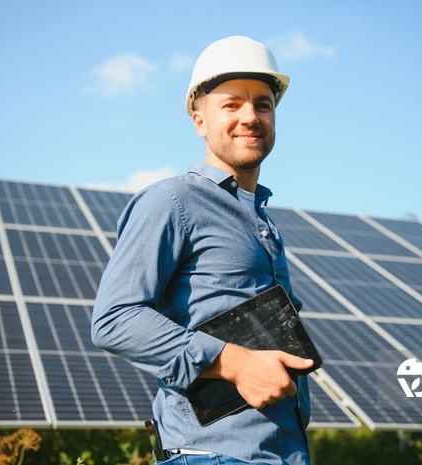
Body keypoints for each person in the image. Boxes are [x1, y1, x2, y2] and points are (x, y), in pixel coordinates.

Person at [91, 35, 313, 464]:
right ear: (199, 121)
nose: (250, 116)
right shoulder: (173, 201)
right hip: (212, 456)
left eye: (262, 104)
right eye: (231, 104)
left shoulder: (263, 221)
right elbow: (114, 319)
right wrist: (234, 362)